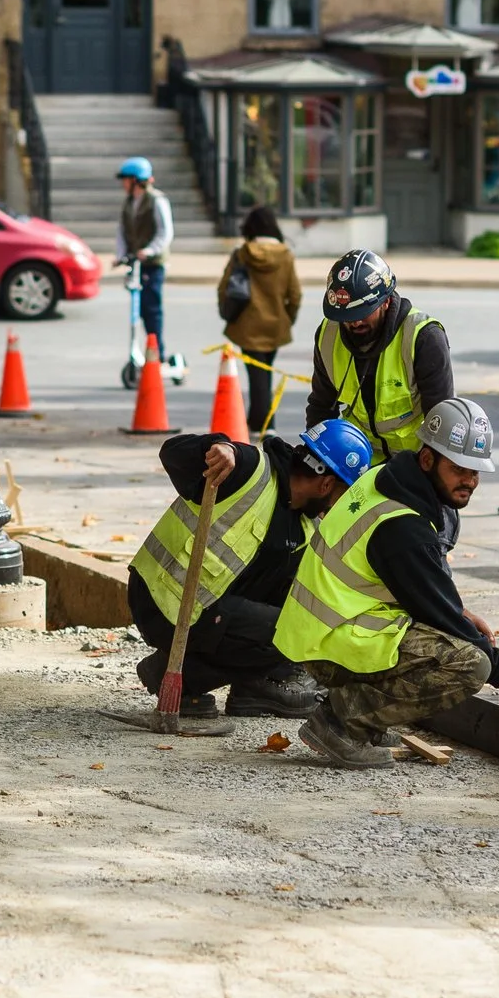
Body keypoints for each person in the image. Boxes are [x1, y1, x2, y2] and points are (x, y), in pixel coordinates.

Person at [275, 397, 499, 766]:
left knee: (453, 634)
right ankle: (342, 720)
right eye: (459, 469)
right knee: (471, 664)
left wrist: (458, 610)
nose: (470, 482)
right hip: (331, 644)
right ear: (428, 460)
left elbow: (427, 592)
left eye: (476, 472)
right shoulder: (401, 524)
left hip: (318, 631)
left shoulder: (388, 478)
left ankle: (361, 718)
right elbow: (436, 611)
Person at [128, 418, 375, 718]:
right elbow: (172, 451)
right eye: (341, 495)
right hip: (162, 600)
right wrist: (217, 446)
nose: (335, 507)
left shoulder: (306, 525)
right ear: (326, 484)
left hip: (207, 609)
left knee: (306, 614)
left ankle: (207, 680)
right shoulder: (249, 471)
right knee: (293, 629)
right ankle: (198, 675)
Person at [306, 248, 454, 458]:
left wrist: (428, 471)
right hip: (357, 458)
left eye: (362, 313)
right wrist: (316, 457)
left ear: (385, 301)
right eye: (346, 315)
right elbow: (321, 407)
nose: (354, 322)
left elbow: (440, 419)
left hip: (415, 458)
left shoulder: (423, 337)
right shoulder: (328, 336)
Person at [218, 206, 302, 432]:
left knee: (257, 374)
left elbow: (225, 287)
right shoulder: (286, 255)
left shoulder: (242, 253)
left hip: (247, 325)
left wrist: (226, 312)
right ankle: (260, 422)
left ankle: (263, 425)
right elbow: (295, 295)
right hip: (275, 325)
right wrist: (287, 319)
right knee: (263, 371)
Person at [115, 156, 178, 372]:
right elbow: (122, 232)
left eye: (126, 179)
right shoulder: (129, 202)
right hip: (137, 263)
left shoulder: (157, 200)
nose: (123, 183)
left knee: (152, 308)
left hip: (154, 263)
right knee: (140, 309)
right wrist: (121, 255)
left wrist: (150, 251)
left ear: (136, 180)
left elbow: (165, 232)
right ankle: (149, 351)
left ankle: (158, 352)